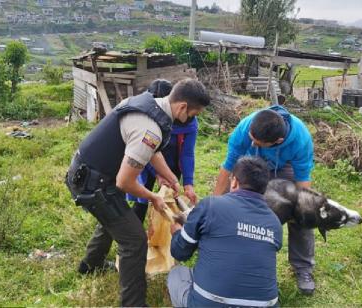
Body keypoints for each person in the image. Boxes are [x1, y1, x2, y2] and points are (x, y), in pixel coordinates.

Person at [65, 78, 210, 306]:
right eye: (195, 114)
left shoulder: (150, 106)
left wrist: (171, 178)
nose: (193, 119)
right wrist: (153, 197)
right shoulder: (150, 128)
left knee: (116, 219)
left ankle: (90, 265)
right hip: (93, 183)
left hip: (92, 174)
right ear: (183, 107)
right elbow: (125, 182)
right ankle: (133, 303)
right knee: (134, 240)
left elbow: (153, 152)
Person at [213, 105, 316, 295]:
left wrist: (301, 208)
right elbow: (228, 166)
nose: (252, 143)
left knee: (302, 211)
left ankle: (303, 268)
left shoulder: (301, 139)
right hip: (252, 164)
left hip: (285, 167)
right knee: (235, 204)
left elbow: (303, 179)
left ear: (278, 141)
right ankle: (231, 257)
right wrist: (215, 204)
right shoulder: (246, 128)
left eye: (257, 142)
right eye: (251, 139)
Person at [167, 156, 282, 307]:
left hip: (211, 303)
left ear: (234, 181)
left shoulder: (211, 204)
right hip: (266, 304)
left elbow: (180, 252)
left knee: (177, 274)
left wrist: (177, 233)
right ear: (264, 188)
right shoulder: (275, 222)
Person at [127, 79, 199, 223]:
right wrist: (157, 174)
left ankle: (169, 232)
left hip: (172, 161)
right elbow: (143, 151)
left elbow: (187, 153)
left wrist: (188, 183)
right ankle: (137, 230)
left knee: (170, 197)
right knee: (142, 199)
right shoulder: (146, 118)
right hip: (146, 161)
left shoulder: (187, 119)